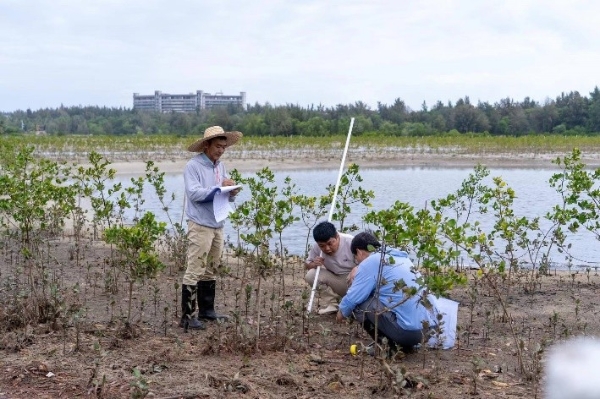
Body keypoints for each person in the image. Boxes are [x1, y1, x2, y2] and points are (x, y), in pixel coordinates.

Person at [180, 126, 242, 331]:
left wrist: (231, 192)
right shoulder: (193, 166)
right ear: (206, 145)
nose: (221, 150)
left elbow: (223, 195)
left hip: (218, 223)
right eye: (218, 146)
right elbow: (194, 193)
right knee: (194, 269)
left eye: (224, 147)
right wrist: (219, 189)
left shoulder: (220, 166)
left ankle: (207, 312)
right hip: (200, 225)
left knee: (211, 269)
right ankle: (187, 317)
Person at [337, 231, 437, 353]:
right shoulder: (400, 257)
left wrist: (341, 313)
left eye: (356, 258)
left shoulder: (371, 262)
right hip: (429, 331)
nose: (357, 261)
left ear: (358, 251)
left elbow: (353, 298)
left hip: (409, 334)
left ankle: (388, 348)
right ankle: (404, 346)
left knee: (360, 304)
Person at [305, 221, 355, 315]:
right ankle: (334, 304)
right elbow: (307, 264)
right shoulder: (317, 247)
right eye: (322, 246)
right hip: (337, 280)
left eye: (330, 243)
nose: (327, 248)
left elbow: (369, 262)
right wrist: (314, 264)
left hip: (355, 280)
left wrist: (357, 268)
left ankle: (355, 306)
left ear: (337, 236)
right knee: (311, 275)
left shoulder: (351, 241)